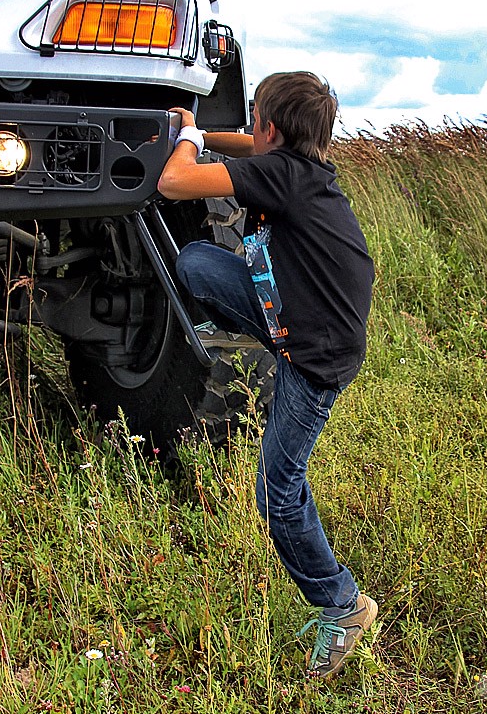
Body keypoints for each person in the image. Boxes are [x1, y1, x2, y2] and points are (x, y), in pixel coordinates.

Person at [158, 71, 377, 679]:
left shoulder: (279, 176)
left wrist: (185, 145)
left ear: (271, 128)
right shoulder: (298, 171)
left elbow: (176, 182)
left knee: (278, 495)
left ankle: (342, 606)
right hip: (305, 325)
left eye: (252, 119)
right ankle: (247, 331)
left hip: (312, 358)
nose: (247, 129)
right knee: (199, 261)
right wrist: (198, 131)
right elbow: (241, 146)